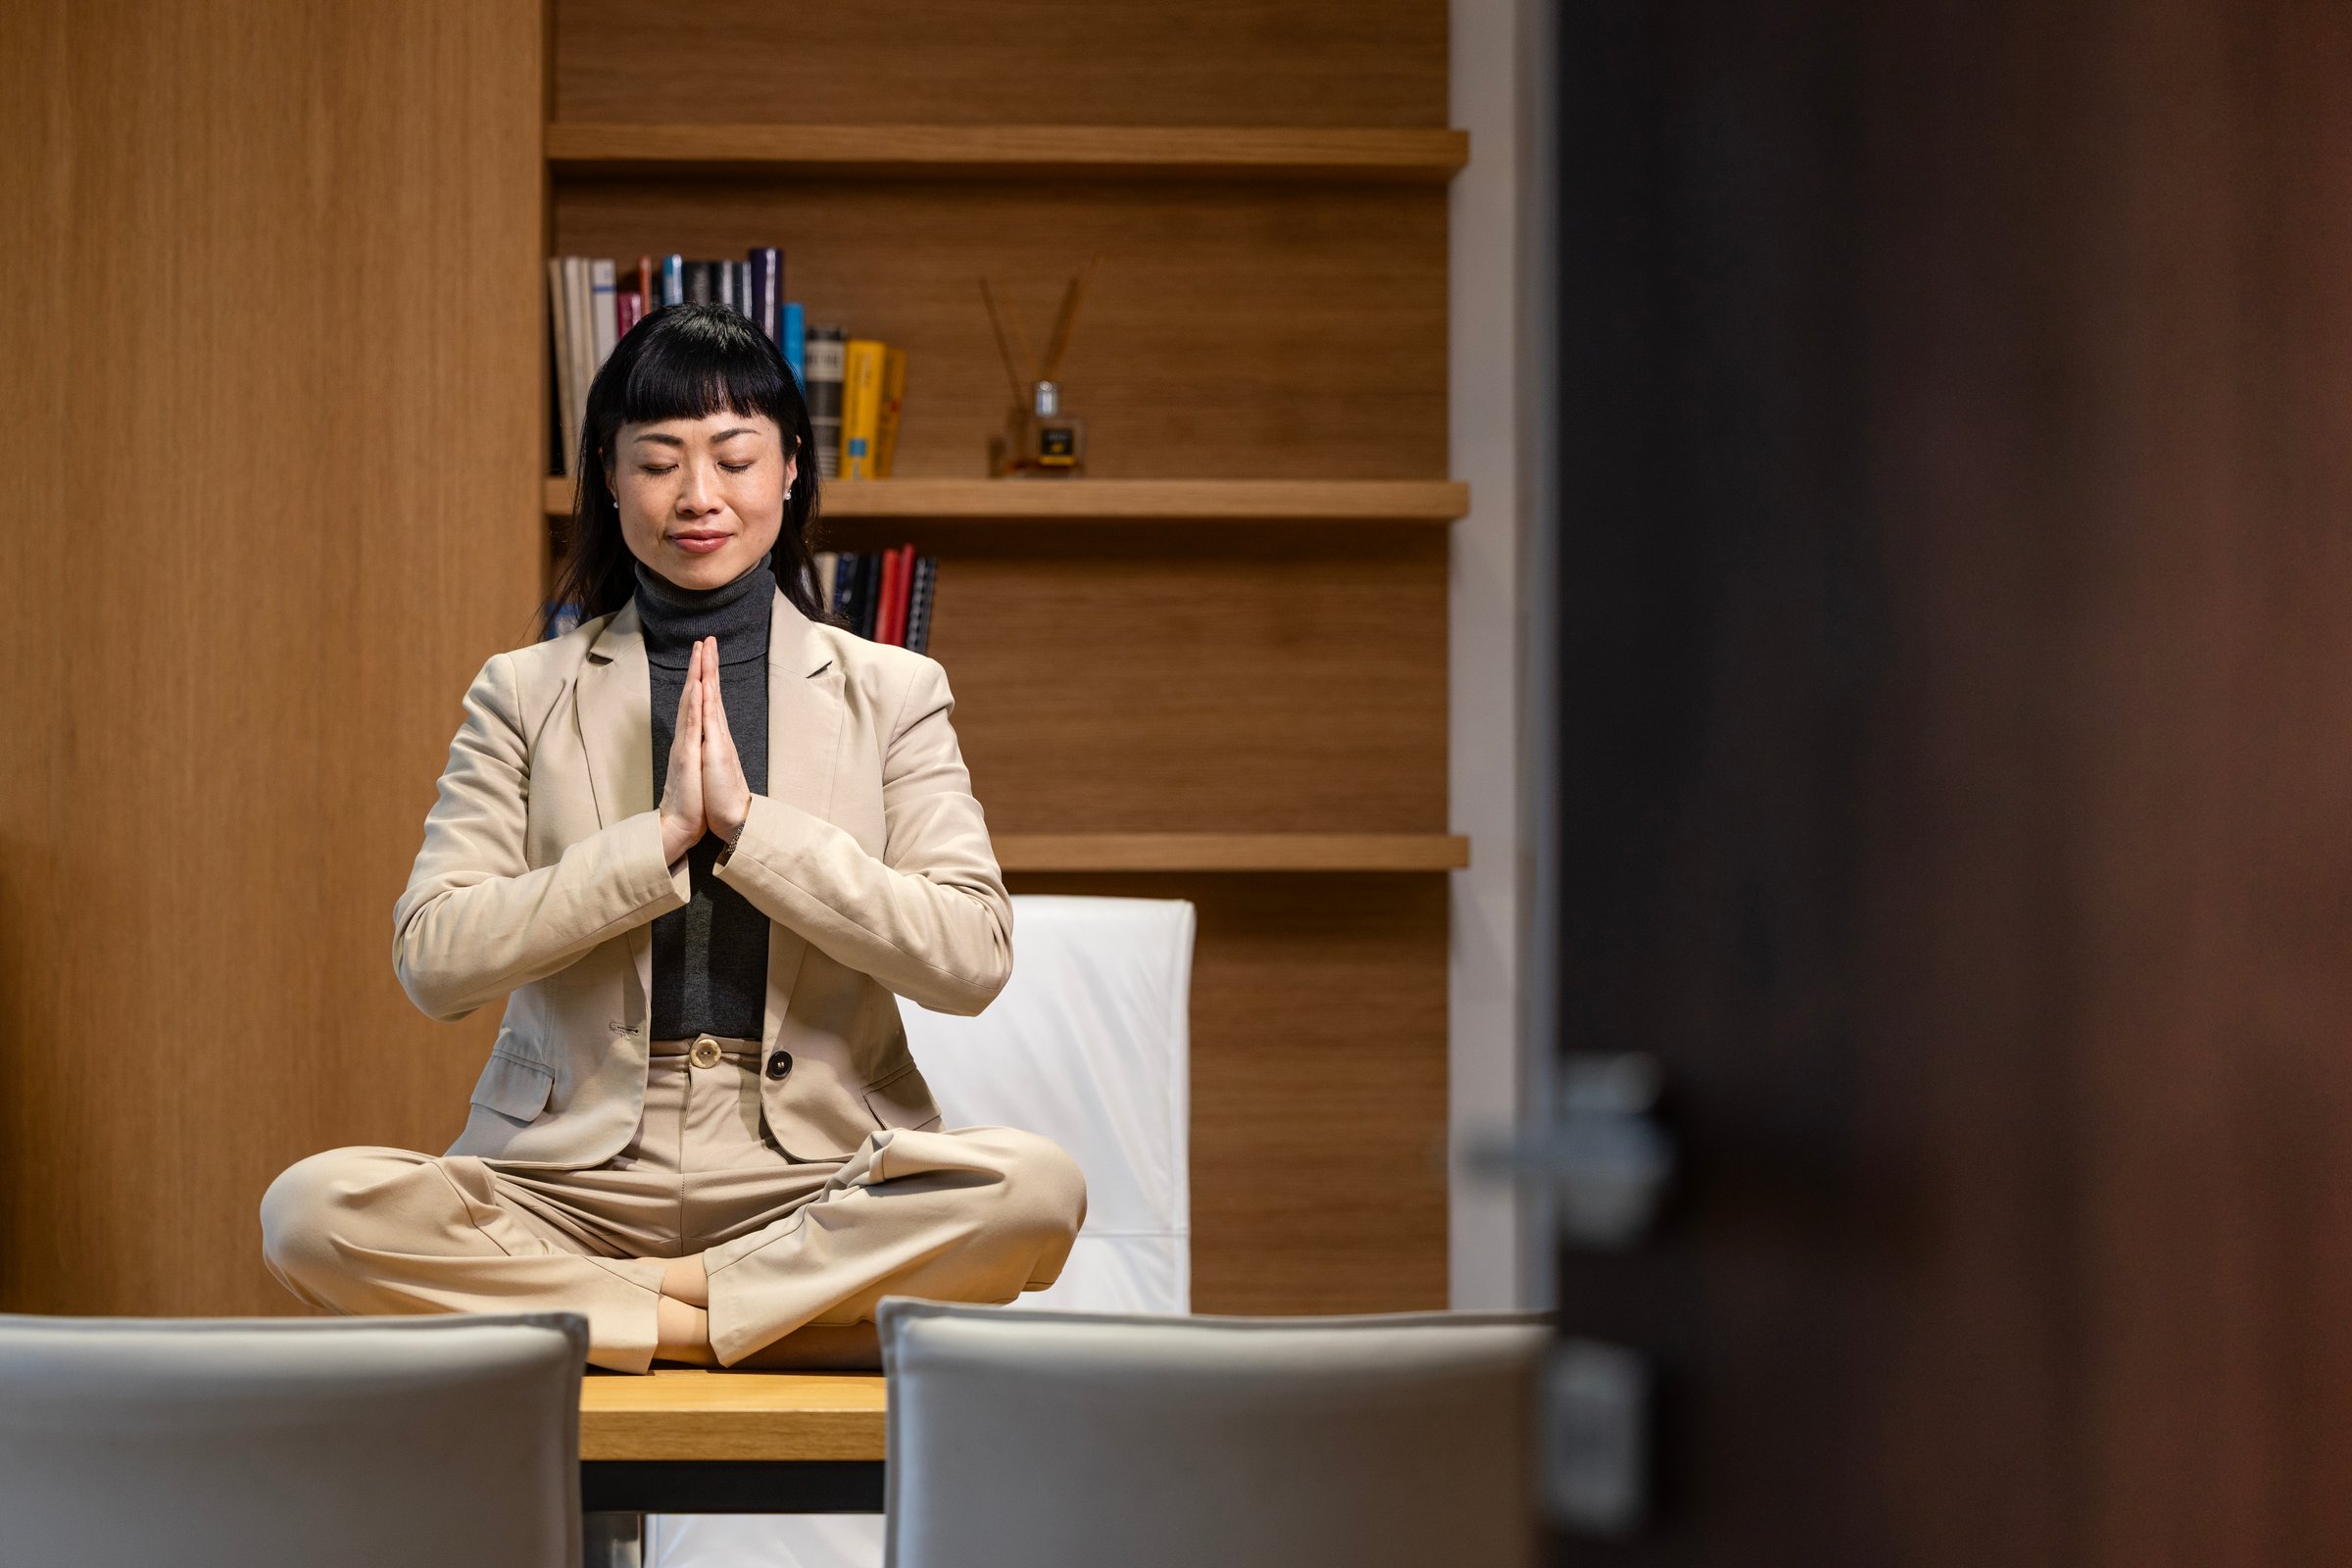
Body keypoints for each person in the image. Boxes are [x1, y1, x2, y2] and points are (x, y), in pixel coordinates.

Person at [259, 304, 1085, 1373]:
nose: (699, 496)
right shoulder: (523, 692)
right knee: (312, 1211)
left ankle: (635, 1319)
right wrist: (649, 848)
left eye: (735, 457)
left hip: (814, 1177)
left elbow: (971, 958)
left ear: (790, 471)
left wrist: (751, 833)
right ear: (608, 477)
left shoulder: (893, 691)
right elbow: (434, 960)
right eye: (658, 461)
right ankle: (742, 1322)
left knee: (1036, 1191)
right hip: (568, 1181)